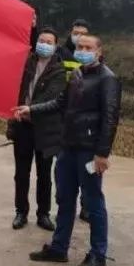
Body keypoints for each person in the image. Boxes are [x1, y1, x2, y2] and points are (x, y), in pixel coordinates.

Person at [15, 33, 121, 266]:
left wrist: (102, 154)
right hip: (68, 148)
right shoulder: (75, 74)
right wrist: (31, 109)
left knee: (93, 202)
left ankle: (98, 254)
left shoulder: (108, 79)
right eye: (79, 46)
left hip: (89, 151)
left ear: (99, 51)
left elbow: (110, 119)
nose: (82, 50)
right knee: (64, 199)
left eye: (88, 47)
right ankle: (59, 247)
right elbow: (59, 103)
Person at [7, 27, 66, 231]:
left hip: (45, 129)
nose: (45, 45)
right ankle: (20, 212)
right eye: (42, 40)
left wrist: (30, 109)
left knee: (44, 174)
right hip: (22, 127)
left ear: (55, 46)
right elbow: (12, 87)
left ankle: (43, 214)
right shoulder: (26, 62)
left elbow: (52, 98)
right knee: (21, 173)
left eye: (49, 42)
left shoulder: (59, 70)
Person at [56, 18, 93, 223]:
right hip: (64, 118)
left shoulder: (91, 57)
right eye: (76, 32)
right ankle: (64, 201)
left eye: (83, 33)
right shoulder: (60, 53)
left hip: (86, 121)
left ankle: (86, 207)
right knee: (63, 166)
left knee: (87, 169)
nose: (79, 36)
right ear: (70, 32)